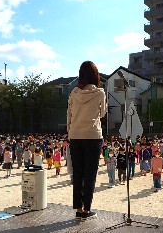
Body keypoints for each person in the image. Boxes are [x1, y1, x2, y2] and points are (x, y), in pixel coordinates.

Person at [67, 61, 106, 221]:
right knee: (90, 175)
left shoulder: (73, 93)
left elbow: (69, 115)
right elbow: (102, 113)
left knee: (78, 174)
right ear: (95, 75)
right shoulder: (100, 93)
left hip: (75, 135)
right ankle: (86, 210)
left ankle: (78, 208)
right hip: (92, 135)